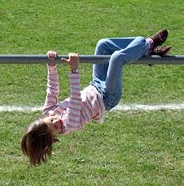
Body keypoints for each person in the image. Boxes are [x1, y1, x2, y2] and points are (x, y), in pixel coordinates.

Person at [21, 29, 171, 166]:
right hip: (107, 98)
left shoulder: (48, 111)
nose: (56, 121)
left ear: (43, 118)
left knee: (103, 45)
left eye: (51, 121)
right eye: (55, 128)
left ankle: (142, 50)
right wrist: (74, 69)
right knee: (117, 59)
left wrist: (51, 66)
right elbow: (75, 100)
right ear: (53, 137)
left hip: (96, 84)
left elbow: (52, 89)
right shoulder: (69, 125)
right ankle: (149, 43)